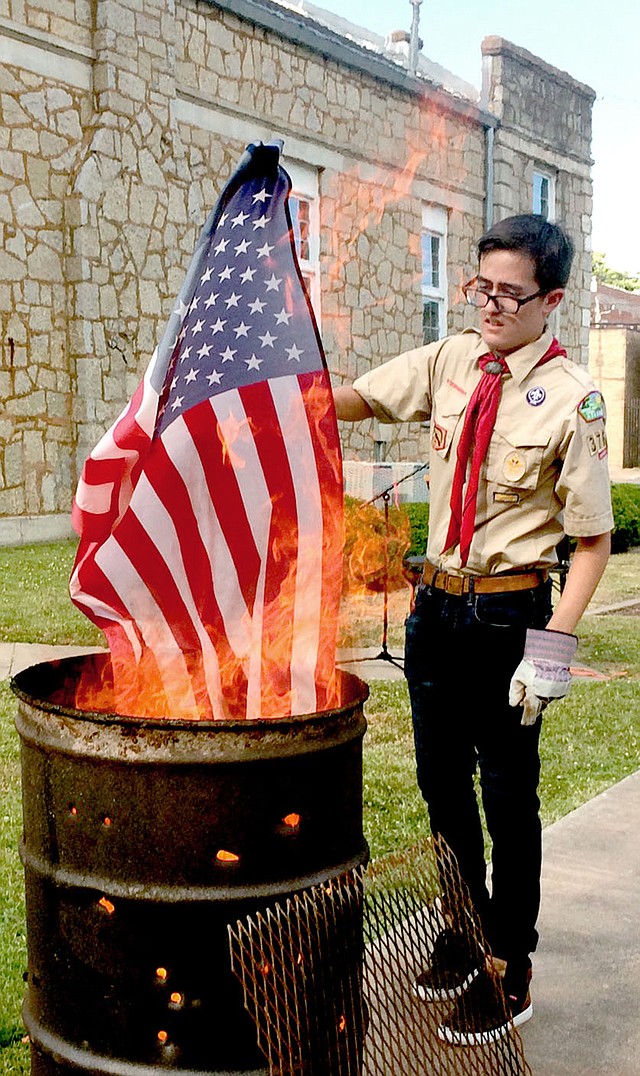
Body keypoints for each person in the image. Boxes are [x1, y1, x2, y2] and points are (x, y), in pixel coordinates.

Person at [333, 214, 613, 1046]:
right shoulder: (456, 359)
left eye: (510, 294)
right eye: (480, 287)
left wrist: (552, 650)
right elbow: (364, 395)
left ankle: (510, 966)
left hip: (507, 617)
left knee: (508, 798)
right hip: (437, 614)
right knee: (441, 788)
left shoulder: (575, 400)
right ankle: (462, 927)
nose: (490, 305)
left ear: (551, 299)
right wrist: (285, 391)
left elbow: (592, 541)